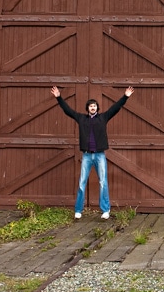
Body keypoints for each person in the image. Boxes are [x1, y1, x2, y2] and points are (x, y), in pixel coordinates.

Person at [50, 85, 134, 220]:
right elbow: (68, 111)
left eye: (94, 106)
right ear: (87, 109)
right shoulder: (81, 119)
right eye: (90, 106)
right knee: (82, 182)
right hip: (87, 155)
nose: (93, 107)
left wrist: (125, 96)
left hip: (100, 155)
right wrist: (59, 97)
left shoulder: (103, 118)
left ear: (97, 108)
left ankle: (105, 210)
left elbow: (115, 108)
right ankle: (78, 210)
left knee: (103, 182)